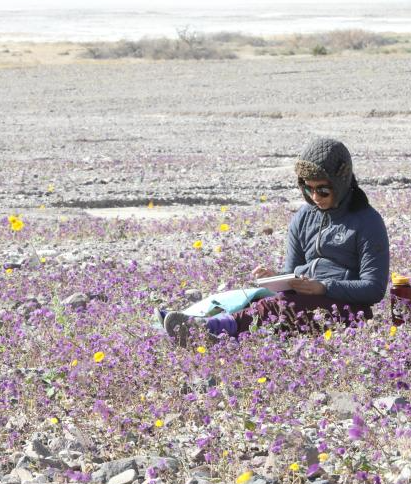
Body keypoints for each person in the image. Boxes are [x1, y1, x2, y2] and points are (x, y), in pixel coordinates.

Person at [164, 137, 390, 346]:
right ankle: (200, 324)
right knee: (254, 300)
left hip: (346, 311)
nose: (315, 197)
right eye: (308, 188)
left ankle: (211, 331)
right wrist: (277, 278)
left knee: (282, 307)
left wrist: (323, 287)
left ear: (340, 182)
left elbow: (374, 288)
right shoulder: (304, 217)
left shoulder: (368, 222)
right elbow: (292, 274)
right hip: (302, 300)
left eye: (322, 190)